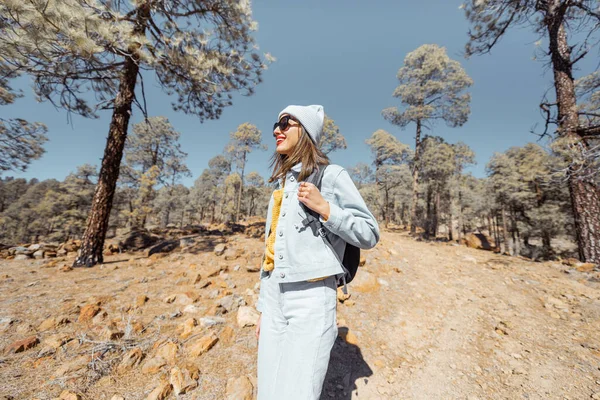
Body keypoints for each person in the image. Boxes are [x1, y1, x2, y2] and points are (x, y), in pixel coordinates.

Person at [255, 104, 380, 400]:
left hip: (311, 300)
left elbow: (369, 233)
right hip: (274, 300)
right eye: (276, 123)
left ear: (306, 131)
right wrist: (264, 306)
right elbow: (270, 251)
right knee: (268, 393)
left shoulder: (331, 176)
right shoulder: (282, 186)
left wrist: (326, 209)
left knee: (297, 393)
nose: (277, 129)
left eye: (286, 123)